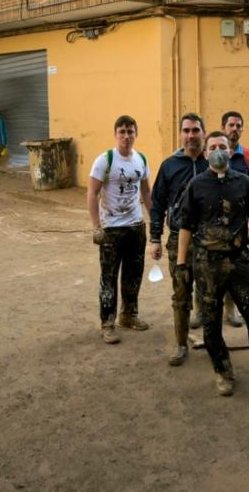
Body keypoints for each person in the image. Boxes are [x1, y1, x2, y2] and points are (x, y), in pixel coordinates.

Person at [177, 131, 249, 399]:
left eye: (222, 147)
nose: (217, 150)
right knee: (211, 322)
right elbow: (186, 226)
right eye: (212, 146)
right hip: (208, 264)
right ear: (205, 154)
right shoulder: (196, 185)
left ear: (230, 152)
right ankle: (223, 371)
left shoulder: (243, 182)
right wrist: (181, 263)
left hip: (240, 261)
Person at [148, 113, 209, 366]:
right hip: (177, 241)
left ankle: (212, 340)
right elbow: (158, 203)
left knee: (209, 293)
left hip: (209, 241)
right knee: (181, 293)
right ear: (181, 134)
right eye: (186, 130)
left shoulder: (212, 163)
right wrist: (154, 238)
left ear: (203, 133)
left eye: (195, 130)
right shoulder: (170, 165)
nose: (191, 135)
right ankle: (181, 344)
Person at [87, 115, 152, 344]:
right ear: (115, 134)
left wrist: (153, 222)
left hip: (135, 227)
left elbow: (146, 192)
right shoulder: (105, 160)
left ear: (136, 134)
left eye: (130, 131)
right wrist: (97, 226)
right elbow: (92, 193)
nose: (126, 136)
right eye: (122, 131)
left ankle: (129, 315)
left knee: (133, 275)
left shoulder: (141, 159)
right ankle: (107, 323)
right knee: (109, 277)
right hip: (111, 230)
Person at [220, 110, 249, 328]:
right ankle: (201, 311)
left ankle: (230, 311)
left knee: (234, 268)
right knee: (207, 268)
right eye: (231, 125)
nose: (234, 129)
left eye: (238, 126)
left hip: (239, 224)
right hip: (214, 223)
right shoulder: (213, 153)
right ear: (223, 128)